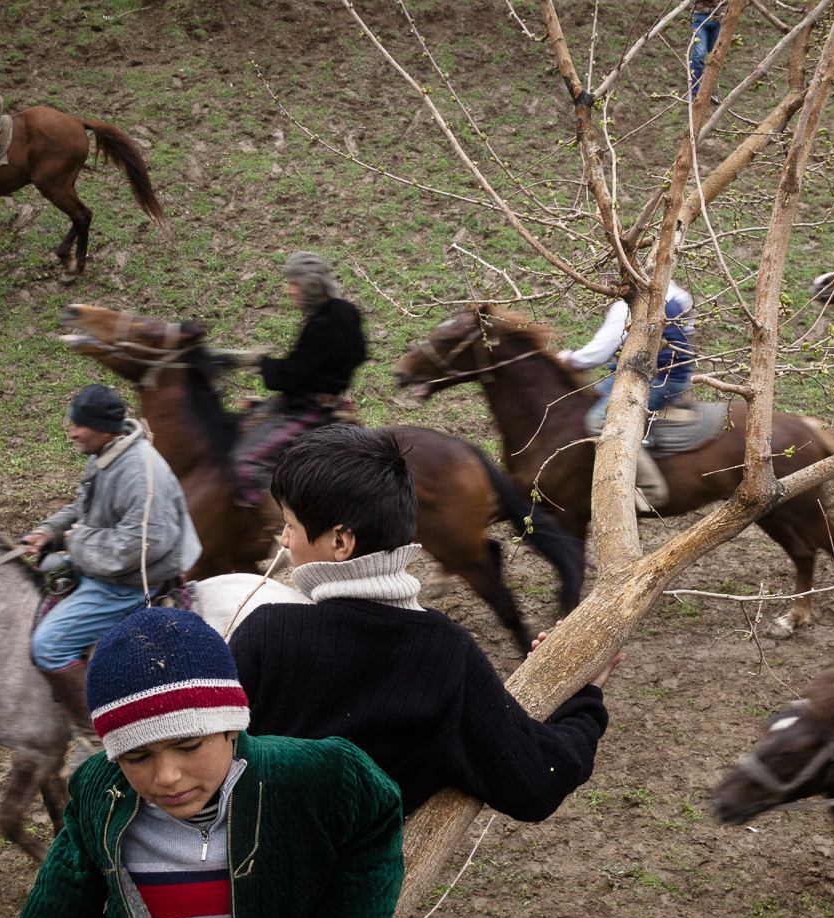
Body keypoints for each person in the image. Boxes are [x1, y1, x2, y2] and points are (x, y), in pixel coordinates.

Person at [0, 607, 417, 918]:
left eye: (189, 745)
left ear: (231, 726)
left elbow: (374, 822)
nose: (167, 776)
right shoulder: (101, 791)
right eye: (136, 756)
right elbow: (64, 894)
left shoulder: (317, 775)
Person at [229, 423, 613, 821]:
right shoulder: (444, 652)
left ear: (341, 542)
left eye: (290, 525)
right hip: (366, 882)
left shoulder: (266, 633)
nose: (285, 542)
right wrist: (584, 700)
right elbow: (537, 783)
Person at [19, 384, 202, 743]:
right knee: (45, 569)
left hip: (128, 581)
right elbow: (83, 509)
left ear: (102, 427)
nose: (70, 432)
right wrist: (50, 532)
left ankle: (100, 734)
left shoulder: (138, 473)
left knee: (48, 646)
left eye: (77, 425)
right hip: (101, 561)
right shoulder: (105, 453)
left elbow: (140, 544)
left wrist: (77, 541)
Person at [232, 251, 368, 505]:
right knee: (242, 421)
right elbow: (360, 354)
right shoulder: (347, 312)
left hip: (309, 409)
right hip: (319, 398)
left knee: (245, 463)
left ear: (310, 286)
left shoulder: (323, 324)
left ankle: (279, 529)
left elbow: (292, 376)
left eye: (294, 283)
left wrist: (264, 364)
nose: (289, 290)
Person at [558, 278, 695, 508]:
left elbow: (599, 353)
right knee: (591, 398)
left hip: (651, 379)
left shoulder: (631, 305)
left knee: (599, 420)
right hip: (669, 376)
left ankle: (651, 490)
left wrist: (567, 358)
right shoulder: (677, 294)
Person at [689, 2, 722, 101]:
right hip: (700, 17)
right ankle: (692, 92)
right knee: (699, 54)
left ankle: (710, 92)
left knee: (715, 55)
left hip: (718, 18)